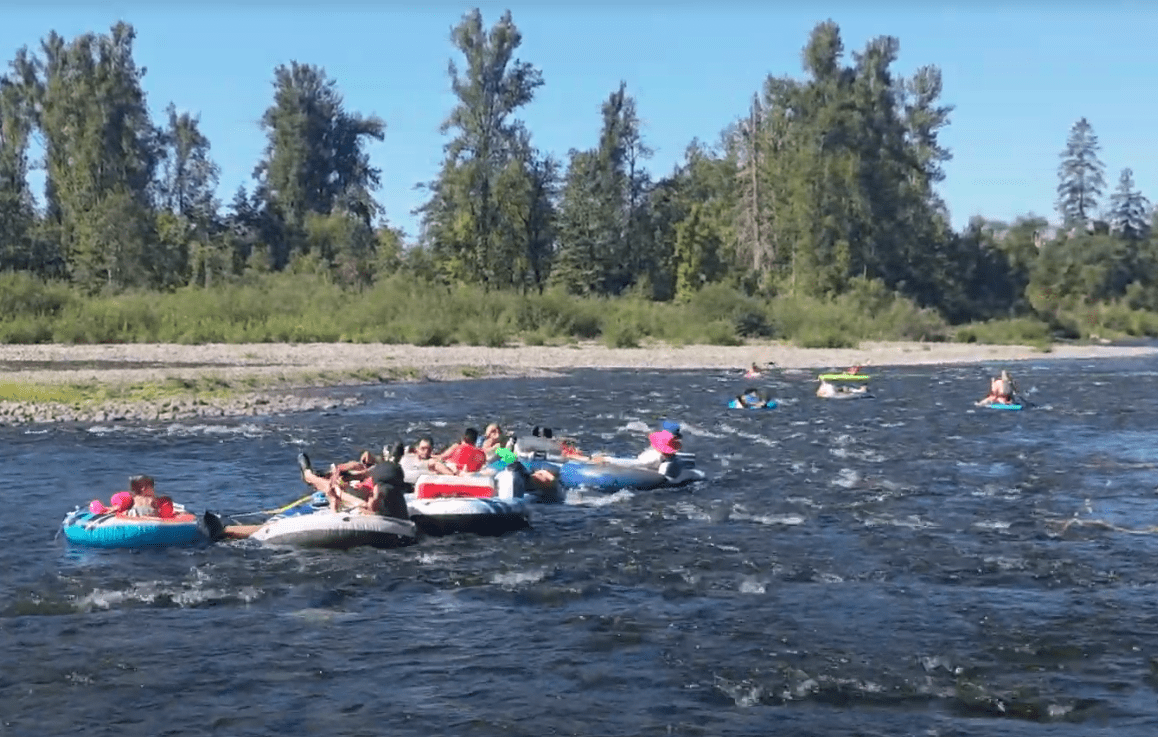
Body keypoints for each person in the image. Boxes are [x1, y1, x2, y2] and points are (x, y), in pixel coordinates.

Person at [211, 447, 411, 541]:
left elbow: (344, 515)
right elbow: (369, 504)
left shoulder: (380, 495)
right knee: (334, 487)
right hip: (357, 498)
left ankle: (308, 474)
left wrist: (334, 501)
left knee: (272, 526)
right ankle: (310, 475)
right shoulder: (395, 502)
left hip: (350, 503)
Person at [90, 475, 177, 518]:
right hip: (147, 513)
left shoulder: (133, 499)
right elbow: (163, 510)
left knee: (120, 511)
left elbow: (119, 508)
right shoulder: (152, 499)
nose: (154, 490)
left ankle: (101, 509)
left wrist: (111, 511)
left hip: (132, 513)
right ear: (144, 488)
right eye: (152, 487)